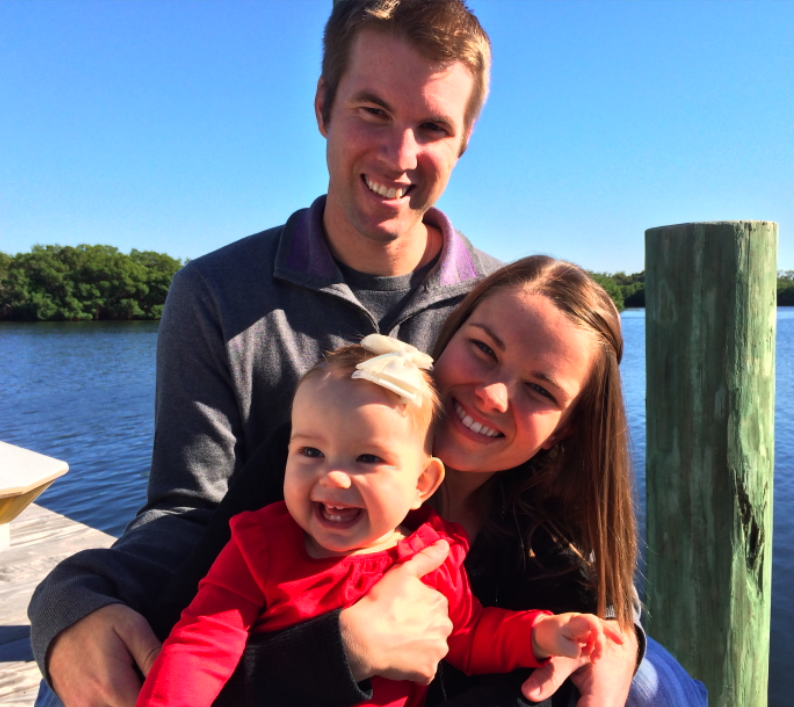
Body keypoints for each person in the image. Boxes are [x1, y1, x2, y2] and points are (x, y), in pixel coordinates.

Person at [28, 2, 702, 706]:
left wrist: (614, 630)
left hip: (463, 620)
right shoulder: (215, 293)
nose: (398, 154)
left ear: (466, 138)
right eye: (373, 110)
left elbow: (575, 502)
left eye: (433, 126)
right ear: (323, 105)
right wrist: (69, 604)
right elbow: (186, 510)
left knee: (656, 685)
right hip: (275, 625)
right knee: (80, 677)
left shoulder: (507, 309)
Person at [146, 257, 707, 707]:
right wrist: (344, 650)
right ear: (446, 336)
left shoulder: (542, 540)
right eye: (483, 350)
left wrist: (594, 639)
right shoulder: (299, 473)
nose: (492, 395)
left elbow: (480, 637)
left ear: (566, 431)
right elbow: (186, 638)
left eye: (540, 390)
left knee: (659, 684)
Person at [137, 335, 621, 707]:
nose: (333, 476)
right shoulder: (258, 547)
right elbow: (200, 645)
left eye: (367, 458)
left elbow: (468, 636)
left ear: (422, 484)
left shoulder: (432, 555)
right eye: (310, 451)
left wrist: (541, 633)